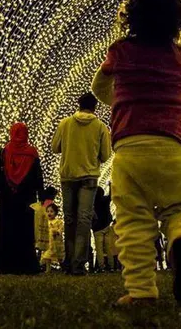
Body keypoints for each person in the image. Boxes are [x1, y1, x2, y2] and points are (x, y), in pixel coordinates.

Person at [92, 0, 181, 306]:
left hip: (131, 148)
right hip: (175, 149)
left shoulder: (121, 51)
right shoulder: (180, 57)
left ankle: (141, 291)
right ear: (177, 17)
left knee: (134, 222)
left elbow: (99, 88)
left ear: (132, 14)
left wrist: (121, 98)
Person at [51, 92, 112, 275]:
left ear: (78, 105)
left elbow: (55, 147)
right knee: (84, 220)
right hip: (89, 177)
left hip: (68, 176)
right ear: (95, 107)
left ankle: (68, 261)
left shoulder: (65, 123)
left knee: (69, 218)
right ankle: (79, 264)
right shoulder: (100, 127)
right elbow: (106, 155)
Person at [0, 122, 44, 275]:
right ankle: (26, 265)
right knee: (25, 231)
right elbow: (38, 177)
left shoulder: (4, 151)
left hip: (6, 197)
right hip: (26, 198)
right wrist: (42, 198)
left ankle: (5, 265)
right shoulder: (32, 153)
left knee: (6, 229)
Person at [32, 186, 59, 262]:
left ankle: (38, 261)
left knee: (40, 246)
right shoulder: (50, 205)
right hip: (46, 228)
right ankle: (44, 264)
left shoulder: (40, 204)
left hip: (38, 226)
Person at [92, 186, 114, 272]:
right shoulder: (105, 200)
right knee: (108, 247)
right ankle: (111, 266)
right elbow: (110, 196)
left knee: (99, 249)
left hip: (97, 228)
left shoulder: (93, 203)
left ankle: (101, 267)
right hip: (106, 226)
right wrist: (110, 186)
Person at [41, 203, 64, 273]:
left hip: (56, 242)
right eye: (47, 211)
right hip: (48, 242)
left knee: (59, 256)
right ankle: (48, 269)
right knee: (47, 256)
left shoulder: (58, 222)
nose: (49, 213)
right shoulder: (45, 222)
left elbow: (61, 229)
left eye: (51, 211)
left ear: (56, 213)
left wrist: (57, 232)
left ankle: (63, 267)